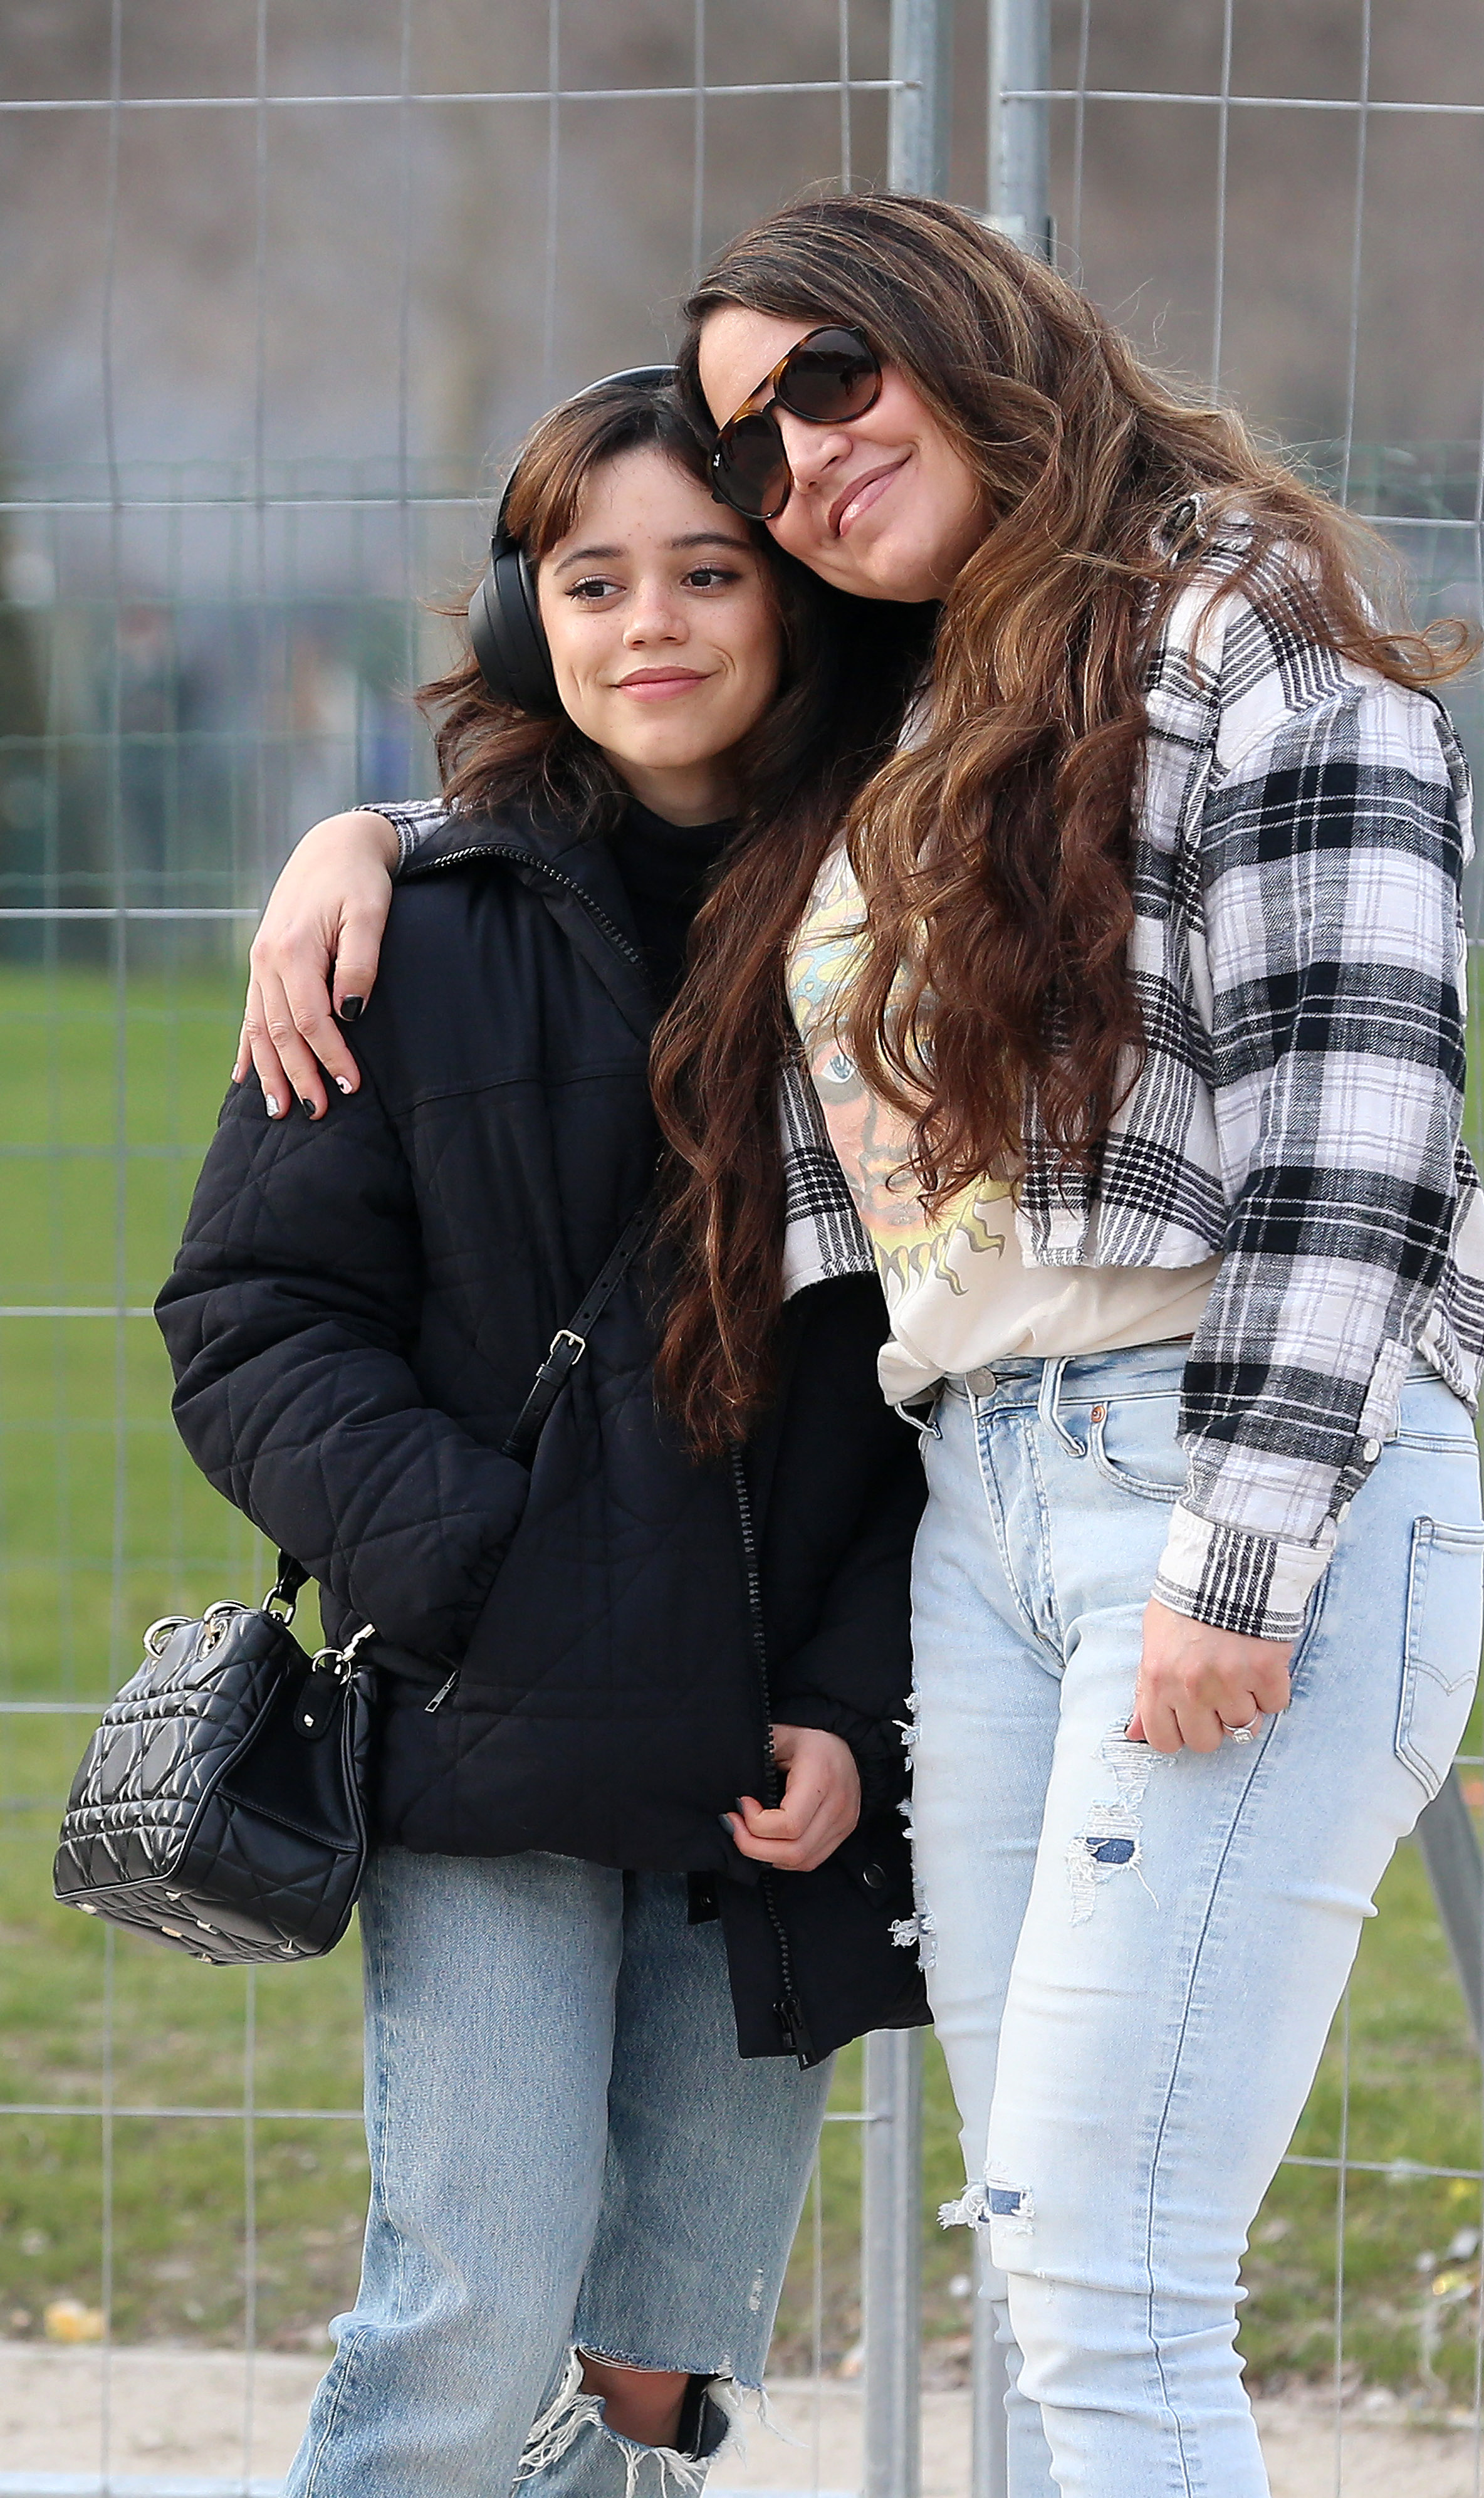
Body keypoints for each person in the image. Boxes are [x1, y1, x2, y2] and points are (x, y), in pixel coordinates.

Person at [243, 196, 1484, 2498]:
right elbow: (661, 813)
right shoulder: (952, 699)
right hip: (944, 1521)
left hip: (1180, 1490)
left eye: (829, 384)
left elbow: (1358, 1121)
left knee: (1100, 2277)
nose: (795, 462)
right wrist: (376, 833)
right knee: (1027, 2257)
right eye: (751, 440)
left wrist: (1239, 1549)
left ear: (965, 335)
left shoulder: (1237, 632)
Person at [156, 374, 929, 2498]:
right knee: (465, 2311)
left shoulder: (907, 932)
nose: (650, 623)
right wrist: (491, 1575)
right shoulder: (402, 933)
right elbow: (249, 1318)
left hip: (778, 1766)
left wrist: (858, 1709)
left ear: (794, 602)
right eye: (593, 581)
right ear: (524, 621)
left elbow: (946, 1378)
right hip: (493, 1732)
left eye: (708, 572)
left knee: (658, 2360)